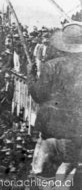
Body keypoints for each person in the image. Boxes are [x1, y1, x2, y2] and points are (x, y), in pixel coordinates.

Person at [27, 22, 82, 186]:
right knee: (69, 169)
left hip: (50, 130)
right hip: (76, 132)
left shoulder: (51, 66)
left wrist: (31, 76)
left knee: (40, 170)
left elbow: (39, 95)